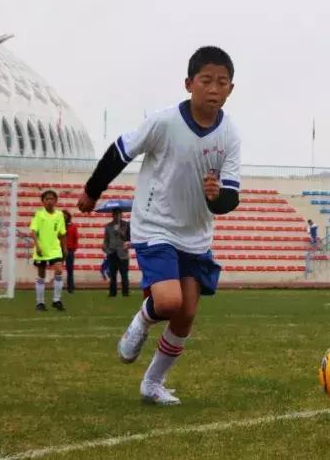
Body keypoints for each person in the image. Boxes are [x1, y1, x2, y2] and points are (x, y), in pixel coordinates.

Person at [77, 46, 242, 406]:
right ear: (189, 84)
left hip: (196, 234)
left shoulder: (229, 135)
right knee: (168, 302)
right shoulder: (164, 122)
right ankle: (140, 322)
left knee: (186, 315)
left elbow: (231, 197)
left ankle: (152, 383)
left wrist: (216, 197)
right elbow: (121, 152)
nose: (214, 89)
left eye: (222, 82)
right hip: (156, 225)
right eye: (206, 80)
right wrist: (92, 191)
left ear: (231, 89)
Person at [30, 190, 67, 312]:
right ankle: (40, 303)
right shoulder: (39, 214)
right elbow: (33, 232)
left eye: (52, 198)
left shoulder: (60, 215)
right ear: (43, 201)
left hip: (55, 249)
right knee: (41, 275)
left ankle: (56, 300)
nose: (49, 201)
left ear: (56, 201)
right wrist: (38, 246)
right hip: (42, 249)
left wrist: (65, 248)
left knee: (58, 270)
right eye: (47, 199)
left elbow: (62, 234)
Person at [103, 208, 131, 297]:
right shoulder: (108, 226)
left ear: (121, 215)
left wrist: (120, 231)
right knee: (112, 275)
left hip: (123, 254)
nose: (117, 216)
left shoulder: (126, 225)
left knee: (124, 275)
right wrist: (106, 250)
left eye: (119, 214)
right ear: (113, 215)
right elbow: (106, 240)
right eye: (115, 214)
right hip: (112, 253)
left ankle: (125, 293)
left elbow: (128, 238)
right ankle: (112, 293)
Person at [63, 210, 78, 294]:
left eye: (65, 216)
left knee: (70, 269)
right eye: (63, 216)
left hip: (70, 250)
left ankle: (71, 287)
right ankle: (58, 286)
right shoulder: (59, 226)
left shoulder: (73, 226)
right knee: (59, 269)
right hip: (60, 249)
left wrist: (74, 248)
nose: (64, 217)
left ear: (68, 217)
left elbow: (76, 237)